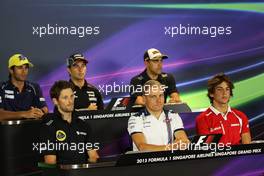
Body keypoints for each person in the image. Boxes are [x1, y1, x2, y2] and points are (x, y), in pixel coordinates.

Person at [40, 80, 99, 164]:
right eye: (65, 98)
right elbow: (50, 161)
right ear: (55, 101)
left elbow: (93, 157)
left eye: (72, 96)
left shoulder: (84, 125)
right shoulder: (48, 125)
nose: (70, 101)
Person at [127, 80, 189, 151]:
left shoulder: (173, 115)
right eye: (153, 96)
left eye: (161, 95)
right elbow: (142, 147)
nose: (158, 100)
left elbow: (184, 141)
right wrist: (170, 147)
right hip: (146, 161)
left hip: (169, 160)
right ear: (144, 98)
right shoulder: (135, 119)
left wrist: (181, 143)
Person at [196, 73, 251, 145]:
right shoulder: (202, 119)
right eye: (219, 89)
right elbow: (205, 150)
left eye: (227, 89)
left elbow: (247, 147)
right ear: (211, 94)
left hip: (239, 156)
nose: (224, 93)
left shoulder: (241, 116)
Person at [0, 54, 48, 120]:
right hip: (8, 129)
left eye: (26, 67)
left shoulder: (34, 87)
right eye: (20, 67)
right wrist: (25, 114)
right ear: (11, 70)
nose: (24, 71)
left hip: (31, 128)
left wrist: (40, 113)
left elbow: (44, 109)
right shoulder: (1, 87)